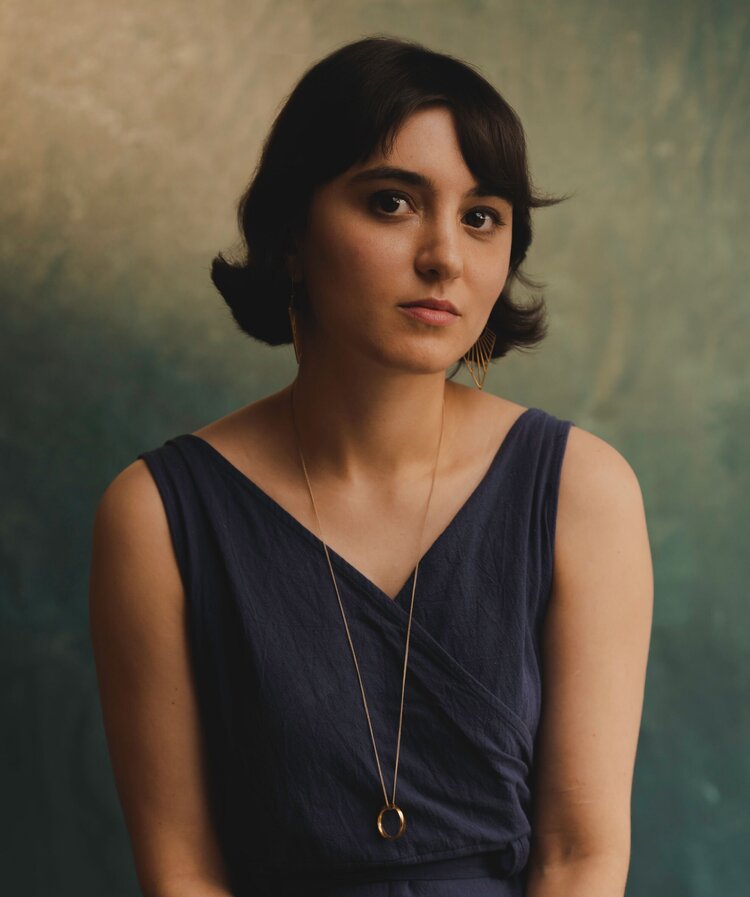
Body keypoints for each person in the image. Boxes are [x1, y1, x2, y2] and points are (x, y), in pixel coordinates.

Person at [88, 35, 653, 897]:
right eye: (392, 203)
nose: (445, 257)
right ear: (290, 234)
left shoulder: (583, 489)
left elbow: (582, 855)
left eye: (481, 216)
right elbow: (181, 872)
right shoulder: (159, 514)